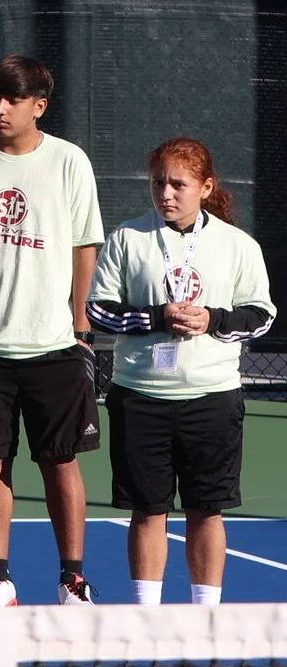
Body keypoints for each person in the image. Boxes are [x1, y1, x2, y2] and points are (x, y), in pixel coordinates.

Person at [0, 54, 103, 606]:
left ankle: (73, 579)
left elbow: (86, 243)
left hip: (53, 344)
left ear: (40, 105)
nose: (0, 108)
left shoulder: (69, 162)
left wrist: (80, 320)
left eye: (12, 99)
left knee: (61, 460)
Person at [90, 138, 274, 605]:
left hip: (212, 398)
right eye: (158, 183)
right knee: (147, 511)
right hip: (140, 397)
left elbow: (261, 314)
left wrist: (213, 320)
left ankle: (205, 616)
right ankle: (147, 616)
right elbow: (99, 310)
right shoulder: (127, 239)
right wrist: (156, 317)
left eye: (179, 184)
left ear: (205, 187)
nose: (166, 193)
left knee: (205, 510)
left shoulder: (238, 245)